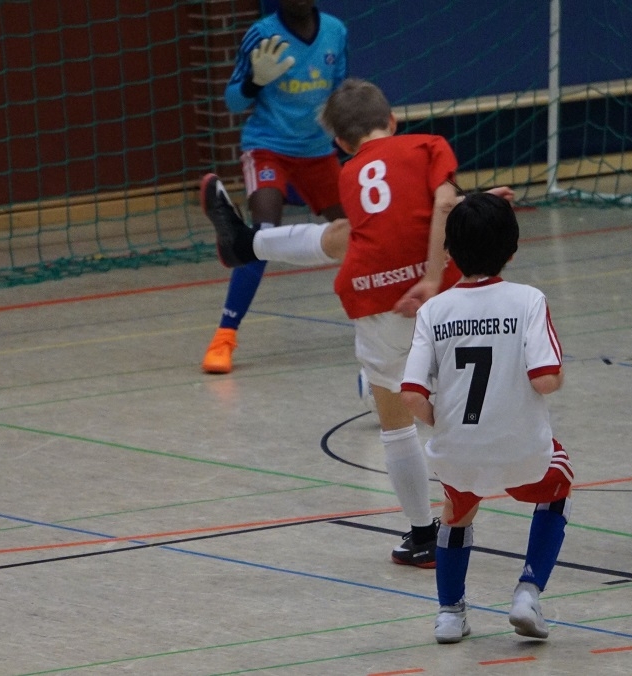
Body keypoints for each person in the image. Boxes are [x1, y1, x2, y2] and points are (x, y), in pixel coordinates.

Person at [203, 78, 513, 568]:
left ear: (341, 144)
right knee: (455, 412)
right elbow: (441, 204)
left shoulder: (349, 173)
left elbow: (392, 221)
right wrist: (437, 267)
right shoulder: (428, 145)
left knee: (396, 424)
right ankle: (466, 506)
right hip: (438, 293)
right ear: (392, 120)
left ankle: (422, 535)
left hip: (373, 296)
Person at [400, 192, 572, 644]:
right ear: (512, 250)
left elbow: (412, 394)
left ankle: (449, 613)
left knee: (456, 513)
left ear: (450, 253)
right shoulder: (529, 300)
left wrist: (444, 421)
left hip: (457, 451)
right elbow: (546, 379)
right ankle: (528, 592)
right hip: (521, 449)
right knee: (559, 485)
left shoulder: (433, 310)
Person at [200, 0, 349, 374]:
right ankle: (224, 337)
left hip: (318, 152)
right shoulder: (262, 34)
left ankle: (398, 312)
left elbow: (340, 95)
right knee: (263, 233)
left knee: (362, 232)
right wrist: (254, 81)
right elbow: (232, 101)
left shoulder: (335, 31)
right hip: (269, 148)